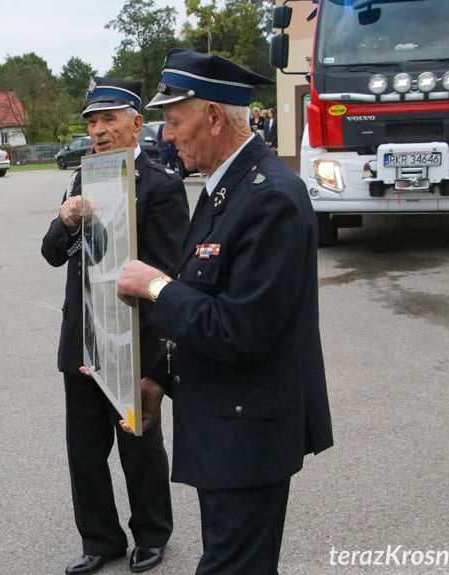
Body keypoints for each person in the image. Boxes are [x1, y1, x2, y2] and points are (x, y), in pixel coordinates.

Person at [116, 49, 333, 574]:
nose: (167, 136)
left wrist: (156, 287)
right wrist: (160, 379)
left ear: (214, 117)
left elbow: (240, 331)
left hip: (249, 434)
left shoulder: (271, 197)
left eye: (174, 120)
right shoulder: (224, 190)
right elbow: (210, 301)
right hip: (224, 427)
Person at [42, 76, 189, 575]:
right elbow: (50, 255)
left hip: (132, 338)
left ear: (135, 123)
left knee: (138, 446)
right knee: (84, 451)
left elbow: (169, 275)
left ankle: (151, 534)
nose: (99, 130)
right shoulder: (82, 179)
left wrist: (155, 362)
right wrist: (65, 220)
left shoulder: (162, 185)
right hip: (81, 337)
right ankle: (99, 539)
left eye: (109, 119)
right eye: (92, 122)